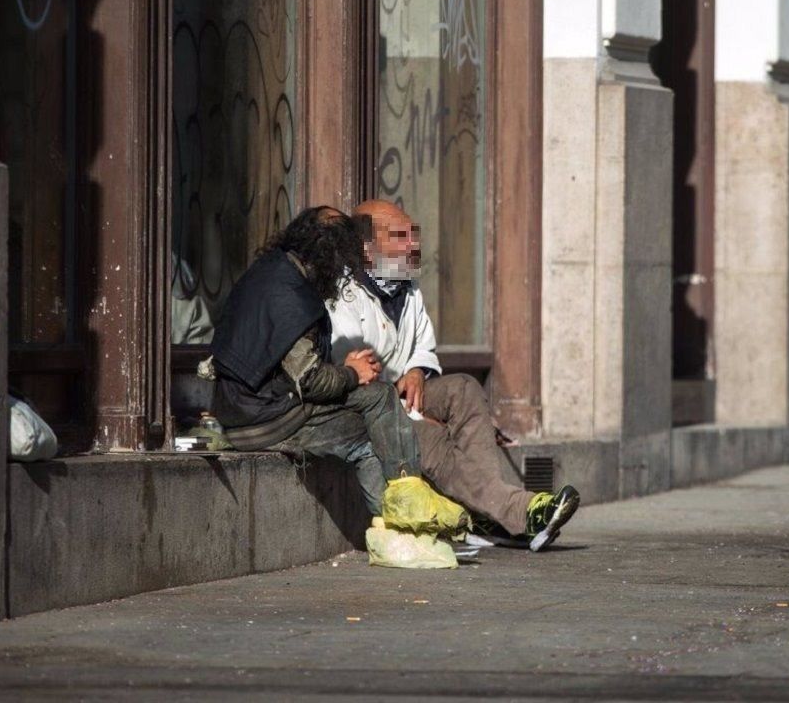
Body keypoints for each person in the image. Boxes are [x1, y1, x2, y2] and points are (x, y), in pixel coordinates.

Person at [326, 199, 579, 551]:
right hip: (368, 407)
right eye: (399, 237)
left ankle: (487, 514)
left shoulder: (405, 287)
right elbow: (354, 368)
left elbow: (422, 342)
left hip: (404, 394)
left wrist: (416, 368)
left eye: (413, 235)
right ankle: (519, 513)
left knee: (463, 388)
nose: (412, 245)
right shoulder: (343, 293)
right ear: (368, 249)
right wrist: (411, 411)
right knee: (431, 442)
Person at [209, 206, 421, 517]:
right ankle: (403, 521)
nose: (342, 275)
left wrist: (344, 368)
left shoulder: (269, 271)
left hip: (240, 409)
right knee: (371, 424)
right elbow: (309, 381)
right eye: (343, 264)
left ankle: (403, 510)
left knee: (376, 400)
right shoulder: (294, 298)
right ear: (330, 257)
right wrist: (351, 373)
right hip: (264, 422)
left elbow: (285, 360)